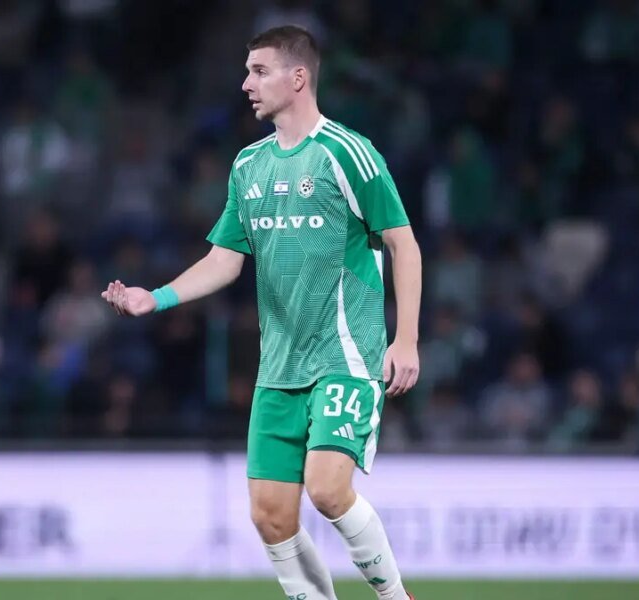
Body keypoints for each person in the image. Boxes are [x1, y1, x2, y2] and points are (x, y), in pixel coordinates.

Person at [102, 25, 421, 600]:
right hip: (278, 368)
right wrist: (158, 297)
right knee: (270, 516)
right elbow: (223, 261)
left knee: (327, 490)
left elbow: (404, 243)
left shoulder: (347, 152)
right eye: (247, 71)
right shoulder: (249, 165)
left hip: (344, 356)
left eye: (259, 71)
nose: (246, 84)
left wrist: (406, 340)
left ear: (297, 78)